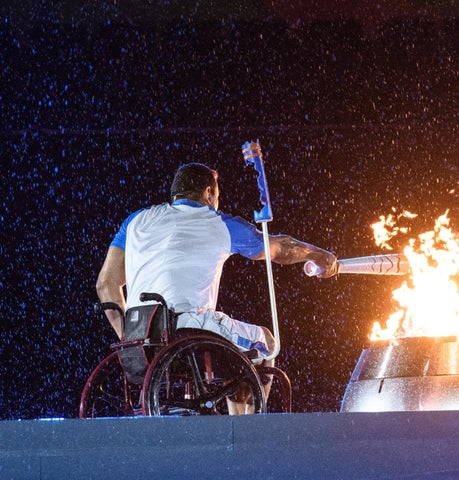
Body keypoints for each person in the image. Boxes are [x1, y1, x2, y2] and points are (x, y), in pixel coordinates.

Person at [96, 162, 337, 413]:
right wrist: (319, 255)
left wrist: (129, 336)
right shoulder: (220, 223)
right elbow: (280, 247)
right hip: (189, 330)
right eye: (218, 196)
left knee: (234, 345)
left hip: (141, 335)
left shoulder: (135, 221)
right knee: (265, 342)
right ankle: (247, 429)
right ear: (209, 193)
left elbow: (106, 284)